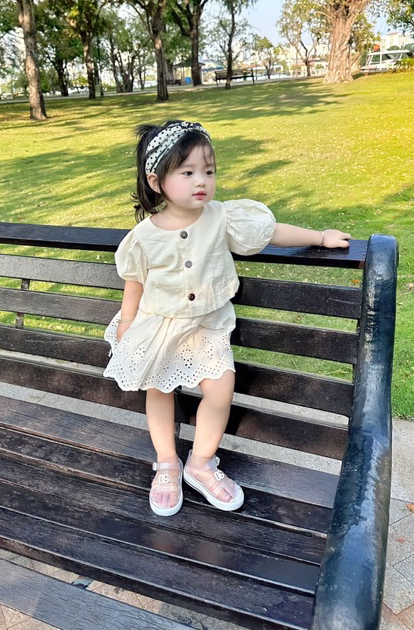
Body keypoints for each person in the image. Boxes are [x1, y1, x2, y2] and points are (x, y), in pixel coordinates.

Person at [103, 119, 350, 517]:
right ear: (156, 181)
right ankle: (167, 462)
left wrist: (319, 237)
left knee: (220, 390)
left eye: (209, 171)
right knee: (158, 390)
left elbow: (271, 232)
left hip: (208, 327)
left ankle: (200, 463)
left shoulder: (222, 218)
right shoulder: (144, 236)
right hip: (160, 325)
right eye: (187, 173)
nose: (201, 181)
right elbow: (135, 280)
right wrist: (127, 319)